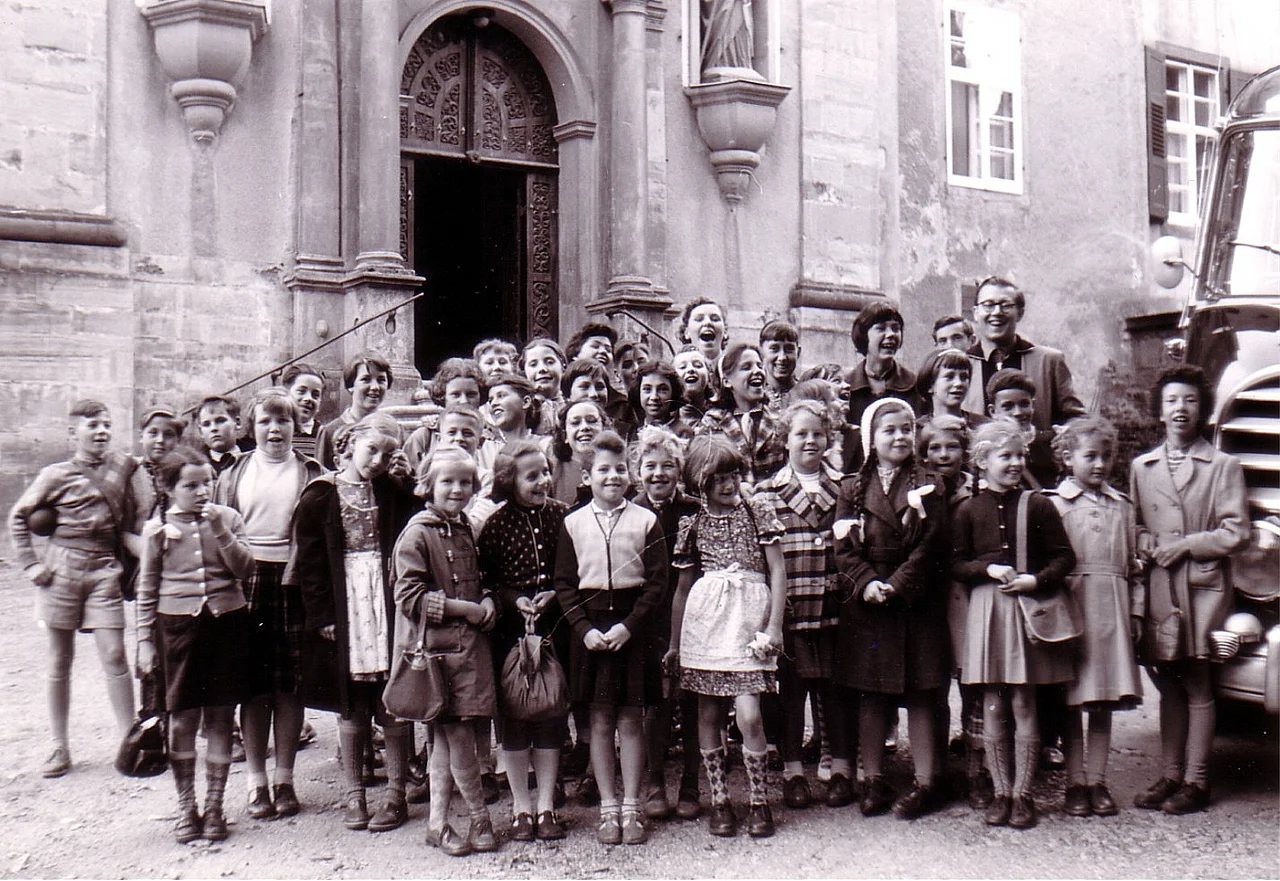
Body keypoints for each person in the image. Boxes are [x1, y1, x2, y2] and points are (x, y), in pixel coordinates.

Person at [1130, 366, 1248, 815]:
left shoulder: (1222, 466)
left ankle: (1196, 781)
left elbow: (1236, 532)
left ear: (1204, 409)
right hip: (1162, 587)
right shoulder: (1143, 467)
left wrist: (1186, 545)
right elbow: (1137, 524)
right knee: (1169, 684)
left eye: (1191, 400)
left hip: (1202, 590)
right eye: (1172, 401)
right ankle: (1170, 774)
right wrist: (1146, 545)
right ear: (1160, 411)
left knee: (1199, 683)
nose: (1181, 409)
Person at [293, 415, 420, 833]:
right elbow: (310, 565)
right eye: (371, 450)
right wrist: (322, 614)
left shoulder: (390, 491)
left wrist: (406, 478)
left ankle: (396, 793)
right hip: (347, 604)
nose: (378, 460)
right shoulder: (319, 495)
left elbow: (417, 517)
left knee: (392, 698)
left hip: (384, 602)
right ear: (346, 445)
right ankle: (353, 794)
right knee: (352, 700)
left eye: (387, 453)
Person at [951, 421, 1076, 829]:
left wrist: (1035, 580)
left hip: (1026, 609)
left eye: (1019, 455)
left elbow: (1064, 558)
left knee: (1024, 701)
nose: (1014, 463)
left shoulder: (1039, 505)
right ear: (982, 461)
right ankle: (1000, 792)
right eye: (1004, 456)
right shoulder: (968, 509)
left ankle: (1023, 794)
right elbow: (956, 564)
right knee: (993, 704)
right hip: (988, 611)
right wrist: (987, 569)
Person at [833, 397, 949, 820]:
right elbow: (843, 548)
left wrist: (898, 584)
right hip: (869, 601)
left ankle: (925, 781)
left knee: (920, 691)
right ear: (871, 439)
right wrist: (866, 583)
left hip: (914, 599)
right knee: (872, 692)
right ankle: (873, 778)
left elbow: (931, 544)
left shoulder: (929, 484)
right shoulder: (852, 487)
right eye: (889, 430)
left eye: (906, 429)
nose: (900, 437)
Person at [8, 399, 137, 778]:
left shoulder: (123, 466)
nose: (101, 431)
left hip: (103, 569)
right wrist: (31, 564)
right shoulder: (54, 474)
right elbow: (18, 516)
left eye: (106, 424)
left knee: (115, 654)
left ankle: (129, 742)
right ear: (72, 433)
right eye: (92, 425)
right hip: (61, 570)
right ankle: (59, 746)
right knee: (59, 658)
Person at [666, 435, 787, 839]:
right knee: (708, 714)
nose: (727, 483)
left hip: (749, 624)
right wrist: (675, 645)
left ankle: (759, 799)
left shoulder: (757, 513)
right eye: (717, 477)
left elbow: (777, 572)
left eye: (733, 474)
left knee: (750, 714)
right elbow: (683, 590)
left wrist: (773, 626)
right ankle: (720, 799)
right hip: (707, 626)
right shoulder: (693, 524)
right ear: (699, 481)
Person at [214, 388, 324, 821]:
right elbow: (220, 529)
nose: (275, 429)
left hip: (292, 578)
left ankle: (284, 778)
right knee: (254, 685)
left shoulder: (312, 472)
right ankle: (255, 781)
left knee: (289, 684)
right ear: (251, 427)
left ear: (296, 428)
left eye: (284, 421)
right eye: (265, 421)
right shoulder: (235, 472)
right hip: (247, 579)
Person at [135, 447, 255, 843]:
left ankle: (216, 807)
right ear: (168, 488)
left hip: (226, 626)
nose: (202, 491)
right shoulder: (156, 530)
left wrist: (220, 527)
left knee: (221, 717)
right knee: (183, 719)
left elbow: (244, 569)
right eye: (191, 485)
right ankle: (187, 807)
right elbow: (147, 588)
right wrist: (143, 642)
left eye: (206, 483)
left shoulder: (229, 517)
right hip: (177, 631)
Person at [554, 431, 668, 846]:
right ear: (587, 475)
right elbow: (565, 584)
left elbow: (657, 585)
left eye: (620, 469)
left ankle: (632, 805)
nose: (613, 476)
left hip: (631, 628)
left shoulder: (646, 520)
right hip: (591, 631)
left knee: (630, 720)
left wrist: (629, 626)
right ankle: (607, 807)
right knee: (600, 721)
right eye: (603, 469)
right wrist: (584, 630)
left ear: (630, 473)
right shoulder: (572, 522)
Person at [394, 448, 499, 857]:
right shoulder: (417, 533)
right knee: (459, 740)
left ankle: (436, 825)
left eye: (465, 482)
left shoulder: (464, 529)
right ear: (428, 486)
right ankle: (479, 818)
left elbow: (478, 580)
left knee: (446, 742)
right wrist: (466, 610)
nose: (457, 489)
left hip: (469, 653)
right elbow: (409, 597)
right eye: (447, 482)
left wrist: (487, 600)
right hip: (439, 655)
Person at [1046, 416, 1143, 819]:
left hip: (1112, 612)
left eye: (1106, 457)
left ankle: (1097, 781)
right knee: (1071, 700)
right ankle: (1074, 782)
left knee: (1102, 701)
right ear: (1068, 458)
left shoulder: (1122, 507)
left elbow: (1135, 568)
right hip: (1073, 609)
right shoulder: (1054, 504)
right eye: (1090, 456)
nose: (1100, 464)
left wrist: (1135, 612)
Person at [755, 401, 847, 810]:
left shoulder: (845, 487)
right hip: (789, 612)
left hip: (834, 610)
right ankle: (794, 771)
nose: (810, 441)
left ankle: (842, 769)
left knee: (834, 692)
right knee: (790, 694)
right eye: (800, 434)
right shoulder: (766, 493)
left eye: (817, 434)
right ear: (785, 439)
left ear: (829, 438)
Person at [477, 441, 570, 842]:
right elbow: (489, 581)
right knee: (515, 716)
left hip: (553, 627)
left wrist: (556, 595)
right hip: (512, 633)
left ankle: (546, 804)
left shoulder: (563, 517)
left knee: (550, 714)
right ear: (507, 480)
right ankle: (520, 807)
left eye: (545, 472)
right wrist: (514, 599)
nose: (542, 481)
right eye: (531, 476)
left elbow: (573, 572)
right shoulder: (495, 525)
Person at [630, 426, 702, 821]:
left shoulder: (693, 509)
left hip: (692, 615)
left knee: (691, 700)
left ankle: (691, 781)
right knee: (655, 703)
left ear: (680, 470)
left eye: (668, 466)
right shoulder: (631, 510)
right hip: (648, 621)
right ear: (637, 469)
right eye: (650, 466)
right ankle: (654, 780)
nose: (659, 474)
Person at [918, 416, 990, 808]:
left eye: (951, 447)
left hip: (966, 597)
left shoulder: (976, 491)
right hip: (929, 599)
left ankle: (978, 770)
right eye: (934, 448)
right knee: (933, 688)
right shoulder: (919, 490)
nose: (943, 455)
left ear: (966, 452)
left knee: (973, 685)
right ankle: (936, 771)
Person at [961, 276, 1085, 431]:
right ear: (975, 313)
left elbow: (1076, 421)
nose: (997, 312)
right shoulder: (962, 366)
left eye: (1006, 305)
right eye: (988, 305)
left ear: (1020, 313)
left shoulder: (1048, 362)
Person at [696, 341, 785, 489]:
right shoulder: (712, 423)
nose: (757, 371)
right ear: (727, 381)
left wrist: (768, 487)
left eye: (759, 366)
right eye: (746, 367)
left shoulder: (779, 420)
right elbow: (702, 471)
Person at [843, 301, 920, 473]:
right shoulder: (844, 388)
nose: (891, 334)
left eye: (895, 328)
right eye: (881, 328)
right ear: (864, 336)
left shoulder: (914, 385)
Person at [403, 357, 487, 470]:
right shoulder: (424, 438)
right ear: (444, 396)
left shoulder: (492, 437)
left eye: (471, 394)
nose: (464, 401)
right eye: (456, 394)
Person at [316, 353, 393, 470]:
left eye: (381, 380)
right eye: (366, 379)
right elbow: (320, 478)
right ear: (351, 386)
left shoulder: (394, 431)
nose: (375, 387)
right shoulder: (330, 432)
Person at [985, 368, 1057, 489]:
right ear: (993, 411)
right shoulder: (987, 447)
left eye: (1024, 404)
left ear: (1033, 405)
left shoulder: (1051, 442)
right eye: (1008, 406)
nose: (1017, 413)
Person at [549, 399, 609, 507]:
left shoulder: (619, 464)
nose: (584, 427)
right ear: (565, 435)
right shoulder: (553, 470)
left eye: (592, 420)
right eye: (575, 423)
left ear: (604, 428)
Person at [629, 360, 693, 443]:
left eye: (662, 390)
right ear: (638, 392)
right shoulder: (634, 432)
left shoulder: (683, 433)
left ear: (673, 393)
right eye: (647, 389)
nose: (654, 397)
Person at [916, 347, 981, 427]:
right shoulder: (917, 429)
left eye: (964, 377)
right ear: (930, 385)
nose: (958, 383)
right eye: (949, 377)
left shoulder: (982, 425)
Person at [522, 338, 567, 435]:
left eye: (550, 362)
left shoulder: (574, 407)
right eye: (533, 364)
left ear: (563, 366)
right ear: (524, 372)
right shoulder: (521, 411)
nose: (542, 369)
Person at [195, 395, 248, 476]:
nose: (213, 428)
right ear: (201, 431)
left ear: (237, 423)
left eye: (220, 421)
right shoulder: (197, 466)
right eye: (206, 424)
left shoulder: (255, 455)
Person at [281, 364, 325, 461]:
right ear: (286, 392)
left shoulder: (323, 435)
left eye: (315, 395)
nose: (309, 398)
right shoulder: (275, 431)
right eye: (301, 391)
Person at [759, 319, 801, 411]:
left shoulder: (806, 393)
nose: (782, 357)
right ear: (761, 352)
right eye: (774, 348)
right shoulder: (752, 394)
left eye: (789, 349)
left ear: (798, 353)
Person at [677, 297, 729, 366]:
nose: (708, 322)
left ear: (725, 332)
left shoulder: (736, 371)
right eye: (699, 319)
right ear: (687, 332)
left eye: (715, 319)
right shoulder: (676, 373)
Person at [673, 346, 714, 425]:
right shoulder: (666, 422)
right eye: (682, 367)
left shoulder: (722, 416)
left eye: (698, 365)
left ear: (709, 375)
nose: (690, 369)